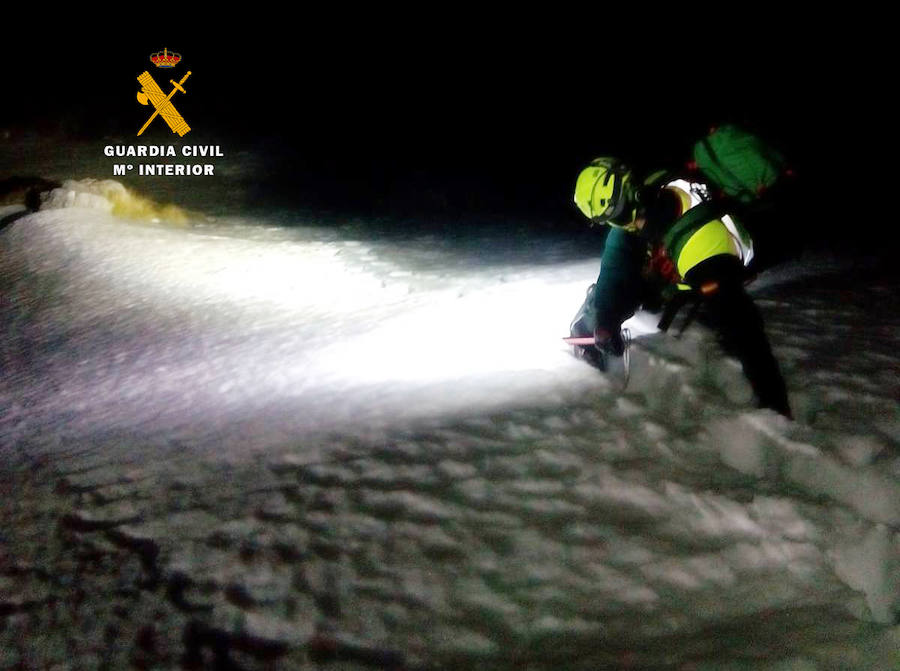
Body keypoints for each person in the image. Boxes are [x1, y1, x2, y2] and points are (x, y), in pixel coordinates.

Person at [569, 156, 792, 418]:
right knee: (631, 286)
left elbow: (745, 330)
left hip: (715, 261)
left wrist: (773, 401)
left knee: (727, 315)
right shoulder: (647, 199)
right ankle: (593, 326)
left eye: (611, 218)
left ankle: (772, 401)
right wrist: (605, 321)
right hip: (690, 262)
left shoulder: (696, 245)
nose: (615, 225)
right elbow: (615, 266)